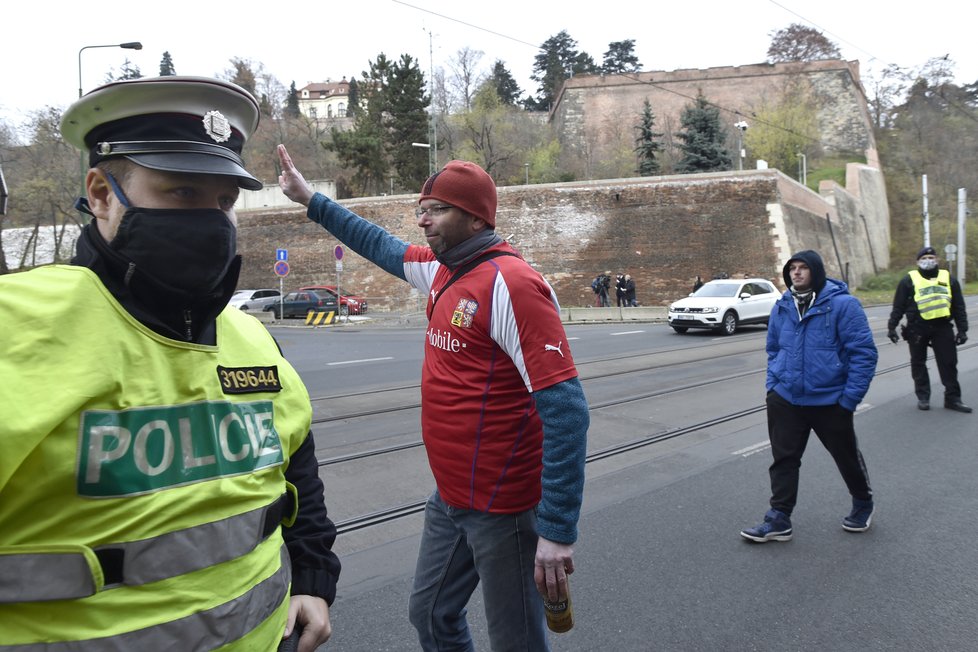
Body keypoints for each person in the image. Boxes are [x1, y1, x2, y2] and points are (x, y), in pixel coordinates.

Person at [0, 77, 340, 651]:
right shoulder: (17, 329)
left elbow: (295, 469)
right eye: (182, 193)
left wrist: (312, 577)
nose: (211, 220)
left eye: (223, 202)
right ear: (101, 194)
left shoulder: (252, 339)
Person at [277, 145, 589, 651]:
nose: (423, 221)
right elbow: (376, 242)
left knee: (518, 641)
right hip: (451, 497)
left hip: (504, 507)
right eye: (421, 210)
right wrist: (310, 199)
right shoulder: (443, 270)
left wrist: (556, 530)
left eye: (437, 210)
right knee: (430, 616)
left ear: (474, 217)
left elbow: (567, 412)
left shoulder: (512, 284)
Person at [741, 250, 878, 543]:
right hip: (786, 399)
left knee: (845, 456)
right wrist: (773, 387)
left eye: (803, 268)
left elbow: (863, 354)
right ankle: (779, 518)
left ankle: (863, 501)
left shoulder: (844, 306)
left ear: (815, 271)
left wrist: (848, 400)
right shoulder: (782, 306)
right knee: (784, 460)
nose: (797, 273)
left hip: (830, 401)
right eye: (792, 268)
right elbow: (774, 349)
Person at [887, 246, 971, 413]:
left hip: (942, 326)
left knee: (948, 363)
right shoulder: (908, 280)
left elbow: (958, 306)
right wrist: (892, 327)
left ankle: (953, 399)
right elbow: (899, 306)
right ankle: (923, 397)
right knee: (918, 363)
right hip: (917, 327)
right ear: (918, 262)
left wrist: (963, 330)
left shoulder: (948, 278)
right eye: (924, 258)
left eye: (931, 257)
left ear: (937, 260)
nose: (928, 260)